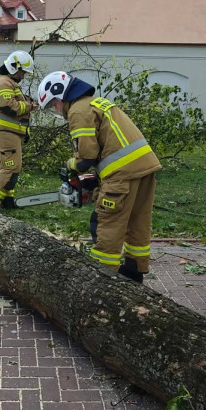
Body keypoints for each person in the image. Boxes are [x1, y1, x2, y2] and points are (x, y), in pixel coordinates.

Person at [37, 71, 161, 283]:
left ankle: (103, 278)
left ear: (60, 95)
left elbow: (86, 157)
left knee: (106, 223)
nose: (55, 110)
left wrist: (70, 165)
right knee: (138, 222)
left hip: (122, 174)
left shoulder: (78, 111)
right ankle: (134, 270)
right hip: (145, 168)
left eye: (53, 105)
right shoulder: (96, 102)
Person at [0, 50, 38, 212]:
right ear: (14, 67)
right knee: (10, 166)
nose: (23, 76)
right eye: (22, 72)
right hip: (4, 133)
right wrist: (29, 107)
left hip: (10, 134)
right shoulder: (2, 82)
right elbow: (8, 107)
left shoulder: (10, 83)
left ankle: (6, 198)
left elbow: (14, 101)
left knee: (14, 166)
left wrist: (29, 102)